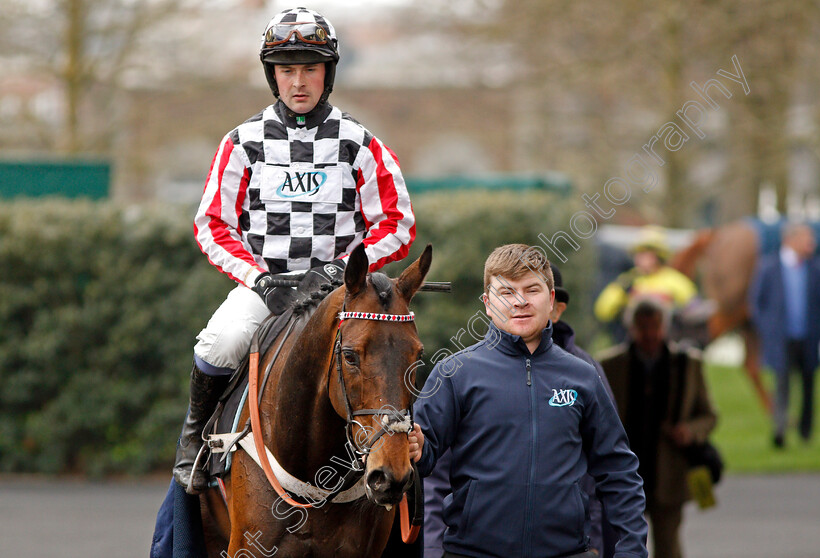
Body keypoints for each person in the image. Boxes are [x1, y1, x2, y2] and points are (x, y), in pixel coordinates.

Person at [173, 7, 415, 493]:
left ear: (328, 73)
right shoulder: (242, 143)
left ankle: (406, 474)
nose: (298, 81)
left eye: (310, 68)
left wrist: (339, 271)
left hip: (341, 292)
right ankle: (195, 441)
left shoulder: (359, 143)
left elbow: (397, 223)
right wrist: (258, 278)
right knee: (219, 344)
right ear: (272, 75)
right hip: (267, 287)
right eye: (287, 70)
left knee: (393, 353)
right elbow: (213, 225)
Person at [409, 244, 648, 558]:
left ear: (550, 300)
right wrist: (416, 447)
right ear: (487, 304)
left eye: (531, 290)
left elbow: (618, 471)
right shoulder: (454, 373)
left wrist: (632, 549)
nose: (520, 301)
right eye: (506, 292)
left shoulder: (583, 376)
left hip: (567, 552)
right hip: (472, 552)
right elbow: (424, 459)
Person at [599, 297, 717, 558]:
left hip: (670, 473)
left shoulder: (689, 364)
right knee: (621, 545)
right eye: (643, 327)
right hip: (623, 474)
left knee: (668, 546)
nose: (649, 334)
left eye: (655, 326)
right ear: (631, 328)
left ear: (665, 327)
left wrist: (689, 431)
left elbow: (709, 416)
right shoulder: (609, 365)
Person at [748, 222, 820, 448]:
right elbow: (756, 303)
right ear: (790, 240)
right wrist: (767, 330)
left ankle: (805, 432)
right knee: (782, 385)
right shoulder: (769, 267)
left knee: (808, 385)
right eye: (807, 238)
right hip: (781, 338)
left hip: (809, 336)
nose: (812, 243)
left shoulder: (817, 267)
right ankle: (779, 429)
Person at [594, 226, 698, 331]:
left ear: (658, 255)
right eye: (638, 254)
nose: (639, 258)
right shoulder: (627, 280)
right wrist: (622, 292)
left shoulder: (675, 281)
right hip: (634, 337)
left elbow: (695, 310)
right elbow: (602, 311)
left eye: (645, 253)